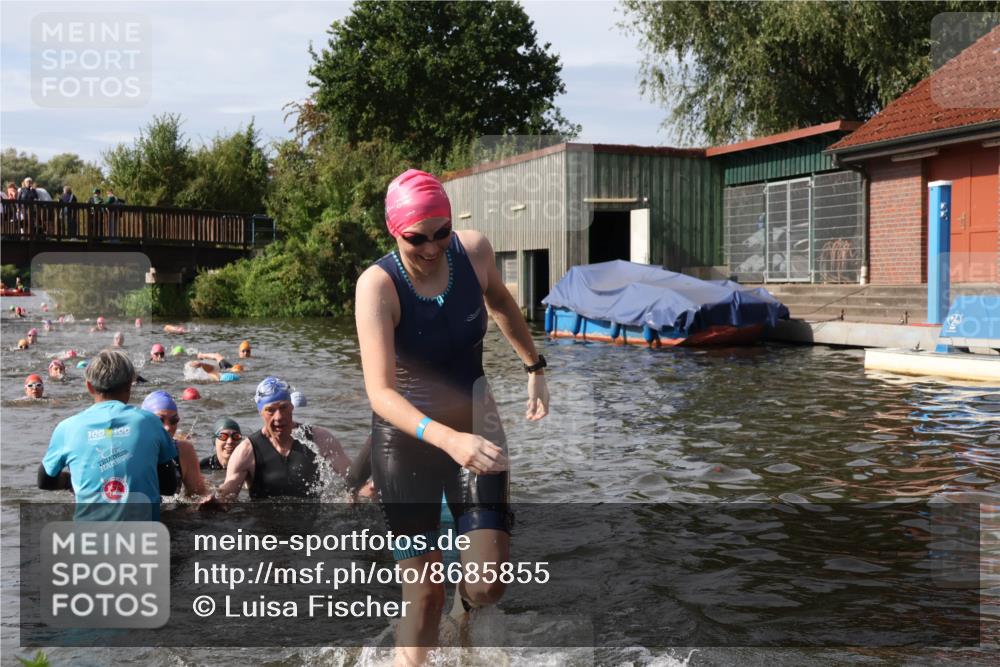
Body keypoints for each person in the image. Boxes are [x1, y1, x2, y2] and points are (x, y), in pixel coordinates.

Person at [354, 169, 549, 663]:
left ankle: (465, 618)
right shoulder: (377, 286)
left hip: (475, 425)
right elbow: (380, 393)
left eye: (441, 232)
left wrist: (534, 365)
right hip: (407, 442)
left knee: (486, 586)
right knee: (423, 596)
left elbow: (500, 300)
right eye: (416, 238)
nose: (432, 247)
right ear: (393, 231)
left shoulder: (474, 251)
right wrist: (447, 439)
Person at [37, 350, 179, 520]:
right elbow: (169, 487)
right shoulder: (150, 422)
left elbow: (44, 481)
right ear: (129, 385)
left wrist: (69, 482)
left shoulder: (67, 428)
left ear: (89, 386)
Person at [214, 377, 352, 500]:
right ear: (260, 412)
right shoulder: (247, 451)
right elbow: (228, 493)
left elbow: (352, 477)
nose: (279, 416)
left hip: (312, 526)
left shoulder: (319, 439)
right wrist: (214, 498)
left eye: (283, 407)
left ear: (292, 407)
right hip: (264, 526)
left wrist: (359, 494)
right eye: (271, 410)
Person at [140, 390, 209, 497]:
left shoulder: (183, 451)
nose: (168, 427)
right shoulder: (131, 449)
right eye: (160, 420)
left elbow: (198, 495)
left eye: (173, 421)